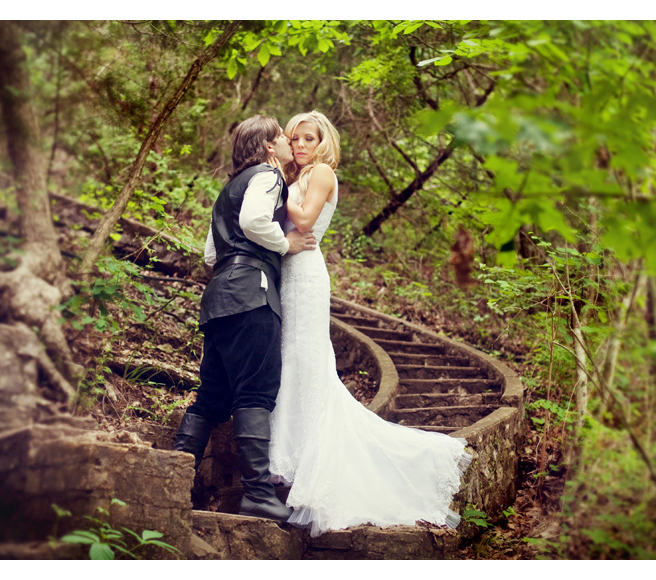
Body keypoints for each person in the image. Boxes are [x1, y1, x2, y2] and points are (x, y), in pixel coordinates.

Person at [268, 111, 473, 537]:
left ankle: (304, 464)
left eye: (309, 137)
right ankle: (290, 459)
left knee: (305, 363)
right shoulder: (298, 175)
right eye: (296, 138)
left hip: (305, 274)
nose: (302, 144)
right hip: (287, 273)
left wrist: (279, 186)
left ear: (323, 142)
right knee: (292, 362)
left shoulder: (321, 172)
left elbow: (303, 222)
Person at [173, 115, 317, 522]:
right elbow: (255, 222)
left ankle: (174, 475)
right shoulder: (269, 177)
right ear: (270, 148)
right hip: (251, 294)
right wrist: (285, 244)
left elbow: (209, 255)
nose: (291, 143)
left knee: (212, 395)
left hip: (218, 297)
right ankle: (256, 492)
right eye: (283, 139)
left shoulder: (229, 189)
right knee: (256, 391)